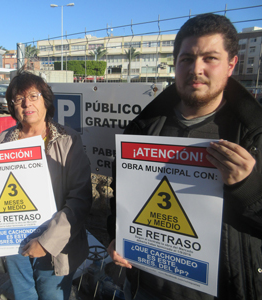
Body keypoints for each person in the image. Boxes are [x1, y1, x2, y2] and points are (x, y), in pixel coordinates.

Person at [107, 13, 262, 300]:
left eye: (210, 58)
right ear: (176, 64)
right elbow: (121, 198)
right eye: (187, 59)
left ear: (231, 65)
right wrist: (118, 236)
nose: (196, 69)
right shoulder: (142, 128)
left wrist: (248, 187)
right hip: (146, 287)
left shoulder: (253, 135)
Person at [0, 70, 92, 300]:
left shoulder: (69, 140)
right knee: (23, 294)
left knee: (52, 296)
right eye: (18, 99)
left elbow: (81, 199)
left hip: (55, 246)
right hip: (14, 242)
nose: (26, 103)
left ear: (46, 100)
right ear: (13, 107)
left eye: (33, 96)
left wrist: (46, 243)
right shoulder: (3, 141)